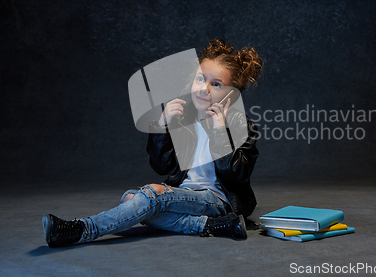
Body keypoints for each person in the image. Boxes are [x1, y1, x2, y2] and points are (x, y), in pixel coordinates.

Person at [42, 39, 263, 247]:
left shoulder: (242, 125)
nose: (203, 89)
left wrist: (219, 131)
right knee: (129, 198)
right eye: (199, 79)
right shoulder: (183, 117)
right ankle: (209, 226)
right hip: (186, 192)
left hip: (218, 199)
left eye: (215, 84)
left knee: (149, 196)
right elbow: (162, 166)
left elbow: (237, 173)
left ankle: (81, 229)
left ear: (231, 96)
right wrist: (162, 126)